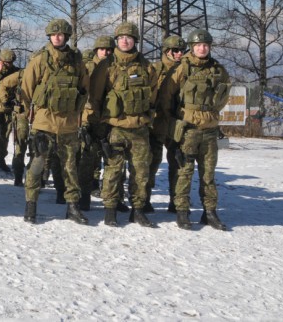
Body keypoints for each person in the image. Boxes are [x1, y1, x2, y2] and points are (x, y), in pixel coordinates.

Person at [159, 29, 231, 231]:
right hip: (188, 130)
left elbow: (224, 93)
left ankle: (210, 212)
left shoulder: (218, 69)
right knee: (185, 172)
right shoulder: (182, 68)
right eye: (198, 45)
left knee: (208, 175)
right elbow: (166, 97)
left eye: (205, 45)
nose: (202, 48)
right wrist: (175, 122)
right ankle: (182, 211)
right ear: (191, 47)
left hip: (209, 130)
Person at [19, 19, 89, 225]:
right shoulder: (40, 60)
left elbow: (85, 89)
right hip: (44, 123)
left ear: (67, 36)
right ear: (49, 36)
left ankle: (73, 207)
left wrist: (80, 116)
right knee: (37, 165)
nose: (58, 37)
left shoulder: (76, 61)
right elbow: (26, 89)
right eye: (54, 34)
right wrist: (26, 117)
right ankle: (30, 205)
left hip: (68, 123)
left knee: (70, 167)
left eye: (61, 34)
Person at [89, 21, 159, 227]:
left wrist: (147, 119)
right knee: (112, 170)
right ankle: (110, 209)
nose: (125, 41)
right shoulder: (106, 66)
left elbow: (153, 96)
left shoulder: (147, 67)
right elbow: (95, 97)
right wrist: (99, 127)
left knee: (140, 172)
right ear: (117, 41)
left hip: (139, 128)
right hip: (115, 127)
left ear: (135, 40)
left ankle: (137, 210)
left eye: (129, 38)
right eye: (121, 38)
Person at [149, 35, 186, 213]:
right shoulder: (154, 69)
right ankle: (144, 199)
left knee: (177, 163)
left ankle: (175, 200)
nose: (179, 54)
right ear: (166, 51)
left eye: (181, 51)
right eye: (175, 50)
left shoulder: (188, 70)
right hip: (156, 123)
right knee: (151, 163)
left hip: (177, 124)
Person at [78, 36, 114, 211]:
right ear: (96, 50)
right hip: (90, 116)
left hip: (109, 117)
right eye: (102, 49)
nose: (105, 52)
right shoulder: (87, 67)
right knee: (87, 157)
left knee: (110, 157)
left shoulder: (115, 67)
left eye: (108, 50)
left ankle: (112, 196)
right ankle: (84, 194)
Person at [0, 67, 29, 186]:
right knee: (20, 145)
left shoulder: (47, 73)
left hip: (41, 116)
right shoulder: (21, 74)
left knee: (40, 148)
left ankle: (38, 180)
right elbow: (3, 84)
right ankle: (18, 177)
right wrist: (6, 101)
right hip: (22, 114)